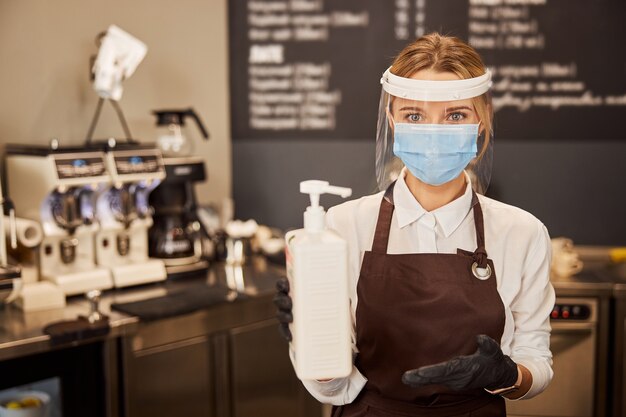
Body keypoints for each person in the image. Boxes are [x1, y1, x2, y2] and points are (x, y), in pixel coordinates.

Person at [275, 33, 554, 417]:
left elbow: (535, 359)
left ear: (481, 119)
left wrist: (507, 375)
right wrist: (310, 340)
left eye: (455, 115)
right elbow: (333, 389)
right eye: (415, 115)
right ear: (392, 121)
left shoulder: (523, 233)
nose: (434, 132)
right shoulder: (341, 227)